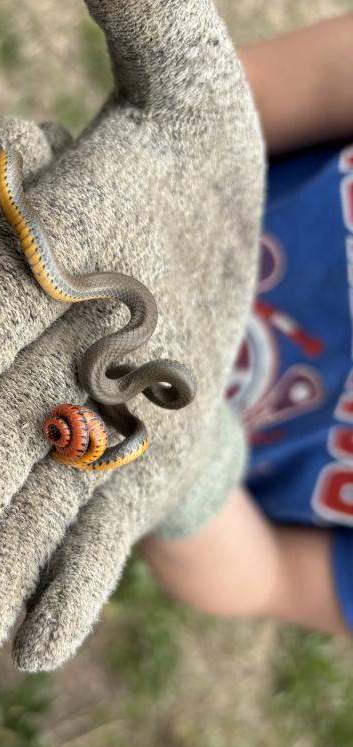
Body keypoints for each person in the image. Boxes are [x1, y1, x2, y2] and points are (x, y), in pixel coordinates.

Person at [140, 12, 353, 638]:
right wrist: (129, 187)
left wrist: (192, 487)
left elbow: (272, 578)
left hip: (99, 464)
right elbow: (239, 92)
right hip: (108, 232)